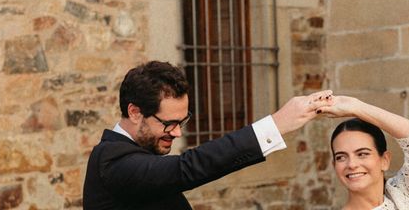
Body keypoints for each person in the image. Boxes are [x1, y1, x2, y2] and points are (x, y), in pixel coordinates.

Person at [82, 60, 333, 209]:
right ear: (135, 112)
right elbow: (187, 168)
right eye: (169, 123)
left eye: (183, 121)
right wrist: (276, 124)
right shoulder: (111, 160)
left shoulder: (141, 154)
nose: (178, 132)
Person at [322, 96, 409, 210]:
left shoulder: (401, 198)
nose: (352, 164)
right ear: (334, 165)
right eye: (341, 157)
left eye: (362, 154)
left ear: (385, 160)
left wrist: (356, 107)